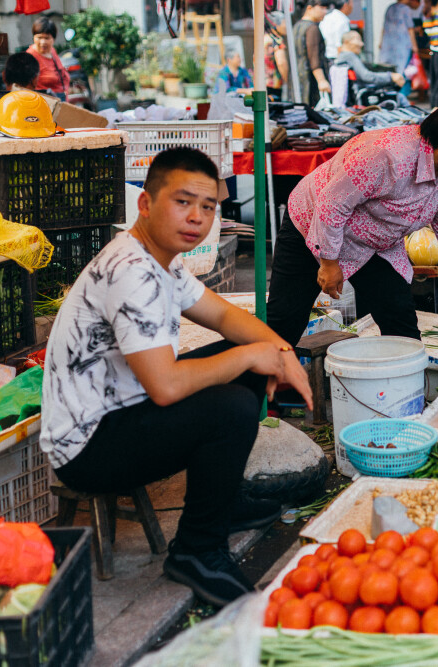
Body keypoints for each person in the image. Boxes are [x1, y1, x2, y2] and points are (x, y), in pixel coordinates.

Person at [40, 148, 314, 608]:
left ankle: (217, 504)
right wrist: (254, 356)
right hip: (88, 447)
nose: (197, 218)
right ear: (146, 204)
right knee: (234, 404)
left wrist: (281, 352)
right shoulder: (132, 273)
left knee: (241, 356)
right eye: (183, 202)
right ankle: (197, 551)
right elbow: (166, 387)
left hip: (124, 412)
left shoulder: (161, 259)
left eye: (208, 207)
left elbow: (224, 315)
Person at [264, 98, 438, 349]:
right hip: (312, 226)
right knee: (284, 323)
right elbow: (332, 204)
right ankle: (252, 382)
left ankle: (402, 383)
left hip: (375, 245)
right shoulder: (385, 155)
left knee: (400, 320)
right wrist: (328, 263)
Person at [293, 0, 332, 106]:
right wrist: (321, 80)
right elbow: (314, 57)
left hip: (296, 80)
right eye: (322, 8)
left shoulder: (296, 26)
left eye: (326, 8)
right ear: (309, 8)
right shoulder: (312, 28)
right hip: (310, 82)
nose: (325, 11)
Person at [336, 31, 407, 89]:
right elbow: (367, 76)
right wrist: (390, 76)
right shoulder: (349, 56)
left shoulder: (344, 56)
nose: (362, 44)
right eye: (358, 40)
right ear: (346, 42)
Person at [25, 17, 69, 101]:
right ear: (34, 37)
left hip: (60, 99)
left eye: (47, 38)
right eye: (39, 37)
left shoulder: (52, 51)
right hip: (43, 102)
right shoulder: (30, 56)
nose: (43, 42)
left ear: (53, 39)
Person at [264, 12, 289, 100]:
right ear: (275, 25)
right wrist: (287, 81)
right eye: (284, 22)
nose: (287, 26)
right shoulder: (276, 40)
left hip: (261, 83)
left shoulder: (264, 38)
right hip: (274, 84)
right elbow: (281, 62)